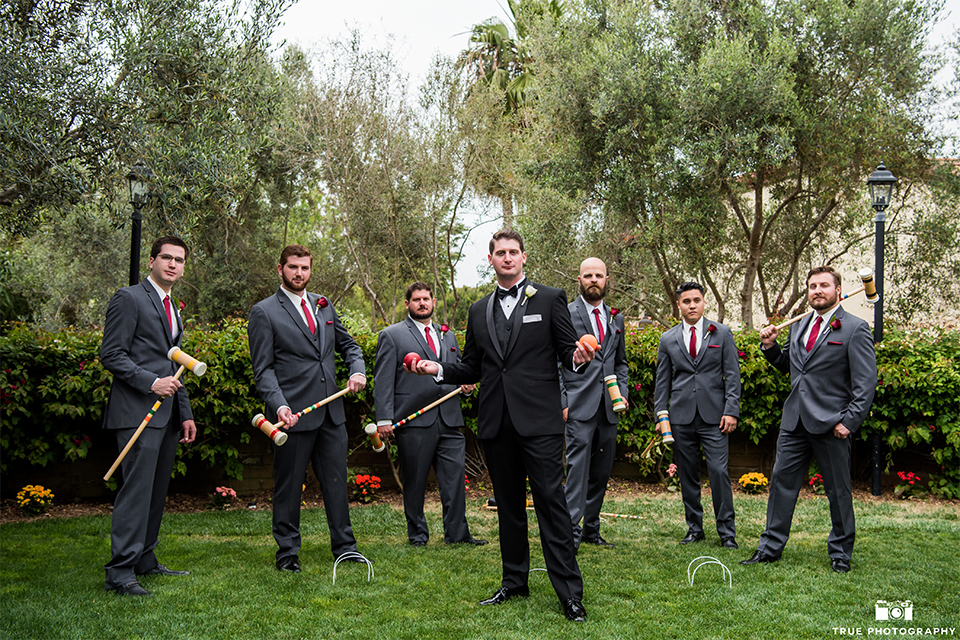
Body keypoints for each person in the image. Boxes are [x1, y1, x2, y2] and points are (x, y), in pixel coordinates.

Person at [409, 229, 595, 622]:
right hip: (496, 423)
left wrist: (580, 356)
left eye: (513, 252)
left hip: (540, 423)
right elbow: (473, 367)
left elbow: (567, 353)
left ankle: (569, 593)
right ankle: (514, 581)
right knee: (508, 507)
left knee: (551, 503)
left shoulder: (549, 298)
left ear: (524, 258)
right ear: (491, 260)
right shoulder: (478, 310)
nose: (507, 258)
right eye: (500, 253)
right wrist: (437, 367)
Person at [742, 265, 877, 573]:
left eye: (824, 286)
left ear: (838, 291)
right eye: (812, 285)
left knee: (838, 491)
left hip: (832, 424)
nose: (817, 290)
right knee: (781, 486)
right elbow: (789, 366)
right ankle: (769, 548)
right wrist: (769, 346)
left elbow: (865, 383)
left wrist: (849, 421)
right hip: (795, 422)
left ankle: (841, 554)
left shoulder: (855, 328)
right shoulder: (800, 325)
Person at [247, 244, 369, 573]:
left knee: (336, 482)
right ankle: (287, 553)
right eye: (293, 267)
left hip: (331, 414)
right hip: (292, 415)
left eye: (304, 268)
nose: (299, 273)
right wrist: (279, 405)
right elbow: (264, 370)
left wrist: (357, 370)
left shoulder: (323, 305)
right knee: (288, 486)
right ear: (280, 269)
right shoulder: (264, 312)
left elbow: (348, 346)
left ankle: (346, 547)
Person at [101, 236, 197, 596]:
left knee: (156, 492)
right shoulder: (129, 298)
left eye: (179, 260)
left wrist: (184, 413)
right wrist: (151, 382)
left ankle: (145, 559)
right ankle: (120, 572)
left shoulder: (173, 306)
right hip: (136, 412)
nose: (173, 264)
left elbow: (176, 364)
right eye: (167, 258)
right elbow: (111, 354)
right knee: (136, 493)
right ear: (152, 261)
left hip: (167, 415)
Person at [373, 282, 486, 548]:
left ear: (433, 301)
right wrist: (384, 419)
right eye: (416, 300)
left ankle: (457, 535)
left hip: (449, 418)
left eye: (426, 299)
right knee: (414, 480)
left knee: (455, 480)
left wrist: (466, 386)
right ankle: (418, 536)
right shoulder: (392, 335)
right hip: (414, 420)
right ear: (407, 304)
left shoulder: (448, 335)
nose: (422, 303)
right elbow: (383, 380)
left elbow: (458, 371)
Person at [654, 282, 741, 549]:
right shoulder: (668, 338)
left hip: (715, 417)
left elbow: (733, 376)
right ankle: (694, 528)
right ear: (678, 305)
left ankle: (727, 532)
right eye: (686, 301)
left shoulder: (722, 333)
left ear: (704, 303)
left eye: (696, 300)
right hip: (680, 417)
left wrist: (731, 410)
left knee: (718, 472)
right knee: (688, 474)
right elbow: (662, 380)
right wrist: (661, 414)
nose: (692, 305)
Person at [559, 258, 629, 550]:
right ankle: (569, 534)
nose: (593, 280)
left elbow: (620, 362)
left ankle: (592, 529)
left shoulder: (617, 318)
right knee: (576, 471)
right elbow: (554, 362)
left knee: (601, 472)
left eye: (598, 275)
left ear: (607, 279)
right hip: (577, 405)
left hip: (608, 407)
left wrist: (622, 392)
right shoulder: (566, 314)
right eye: (588, 275)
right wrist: (562, 400)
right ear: (579, 280)